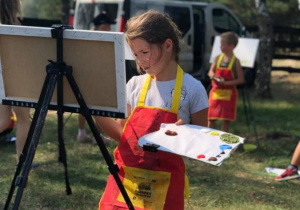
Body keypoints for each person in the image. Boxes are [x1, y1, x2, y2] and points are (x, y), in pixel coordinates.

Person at [94, 10, 208, 210]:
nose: (140, 61)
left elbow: (202, 146)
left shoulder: (193, 89)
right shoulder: (134, 85)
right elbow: (122, 134)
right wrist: (93, 110)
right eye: (135, 55)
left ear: (168, 45)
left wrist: (187, 134)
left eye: (144, 52)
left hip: (165, 189)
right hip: (128, 184)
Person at [0, 0, 34, 165]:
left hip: (1, 78)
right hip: (15, 77)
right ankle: (22, 160)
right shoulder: (15, 29)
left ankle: (22, 160)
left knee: (3, 121)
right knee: (23, 120)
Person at [77, 11, 116, 143]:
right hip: (98, 77)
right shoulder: (102, 39)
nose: (110, 29)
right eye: (109, 26)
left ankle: (81, 133)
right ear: (103, 25)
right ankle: (97, 136)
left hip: (85, 77)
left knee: (83, 106)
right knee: (100, 107)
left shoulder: (87, 37)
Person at [207, 31, 244, 132]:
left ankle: (223, 139)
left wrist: (226, 83)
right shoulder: (217, 58)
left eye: (223, 44)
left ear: (231, 46)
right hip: (215, 92)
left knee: (225, 119)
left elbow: (241, 79)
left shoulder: (236, 62)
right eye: (220, 44)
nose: (220, 47)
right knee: (211, 117)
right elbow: (210, 71)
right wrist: (213, 75)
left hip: (229, 95)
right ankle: (209, 137)